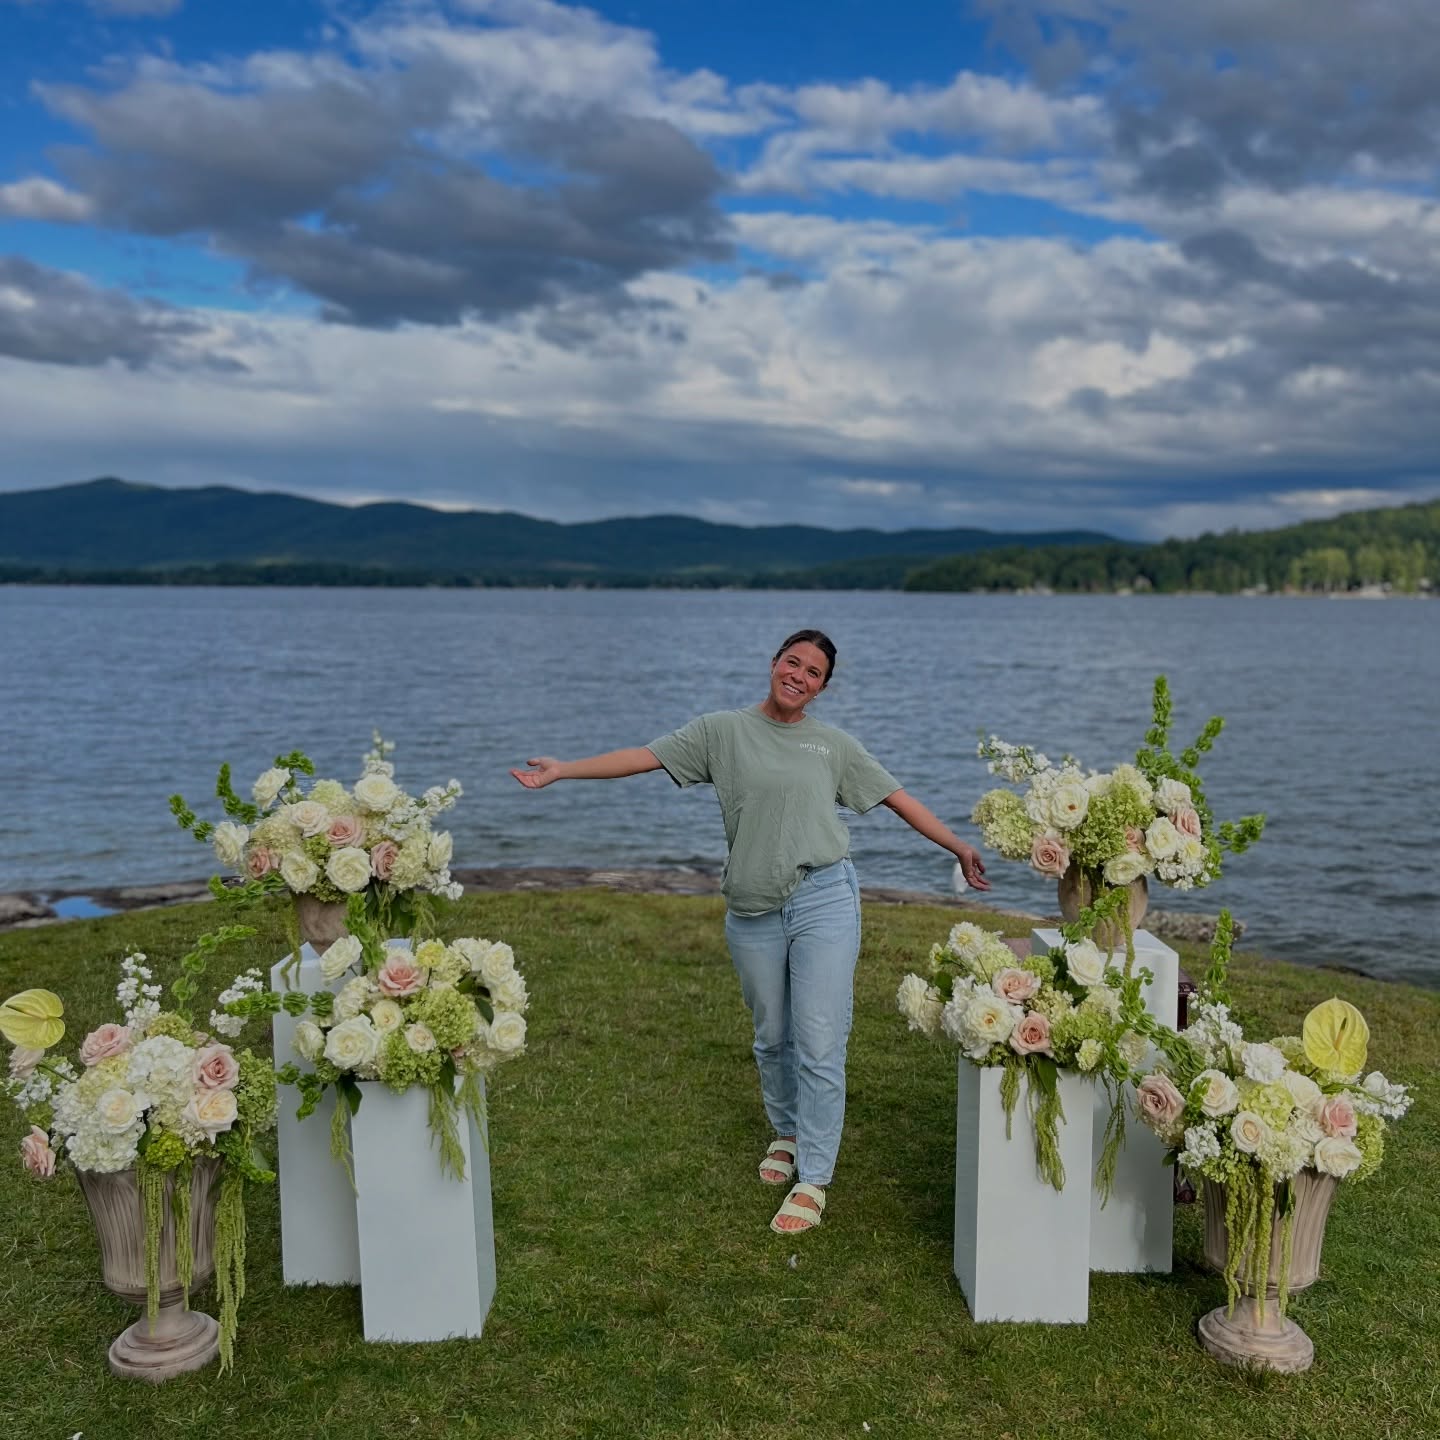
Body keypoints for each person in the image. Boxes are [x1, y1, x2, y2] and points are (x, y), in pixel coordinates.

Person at [510, 628, 990, 1235]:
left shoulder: (833, 746)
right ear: (773, 664)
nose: (800, 675)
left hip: (823, 900)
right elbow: (643, 757)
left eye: (814, 672)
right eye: (793, 662)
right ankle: (786, 1132)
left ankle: (814, 1178)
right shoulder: (721, 732)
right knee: (772, 1035)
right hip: (753, 908)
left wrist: (958, 845)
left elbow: (899, 799)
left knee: (818, 1041)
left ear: (822, 687)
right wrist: (563, 771)